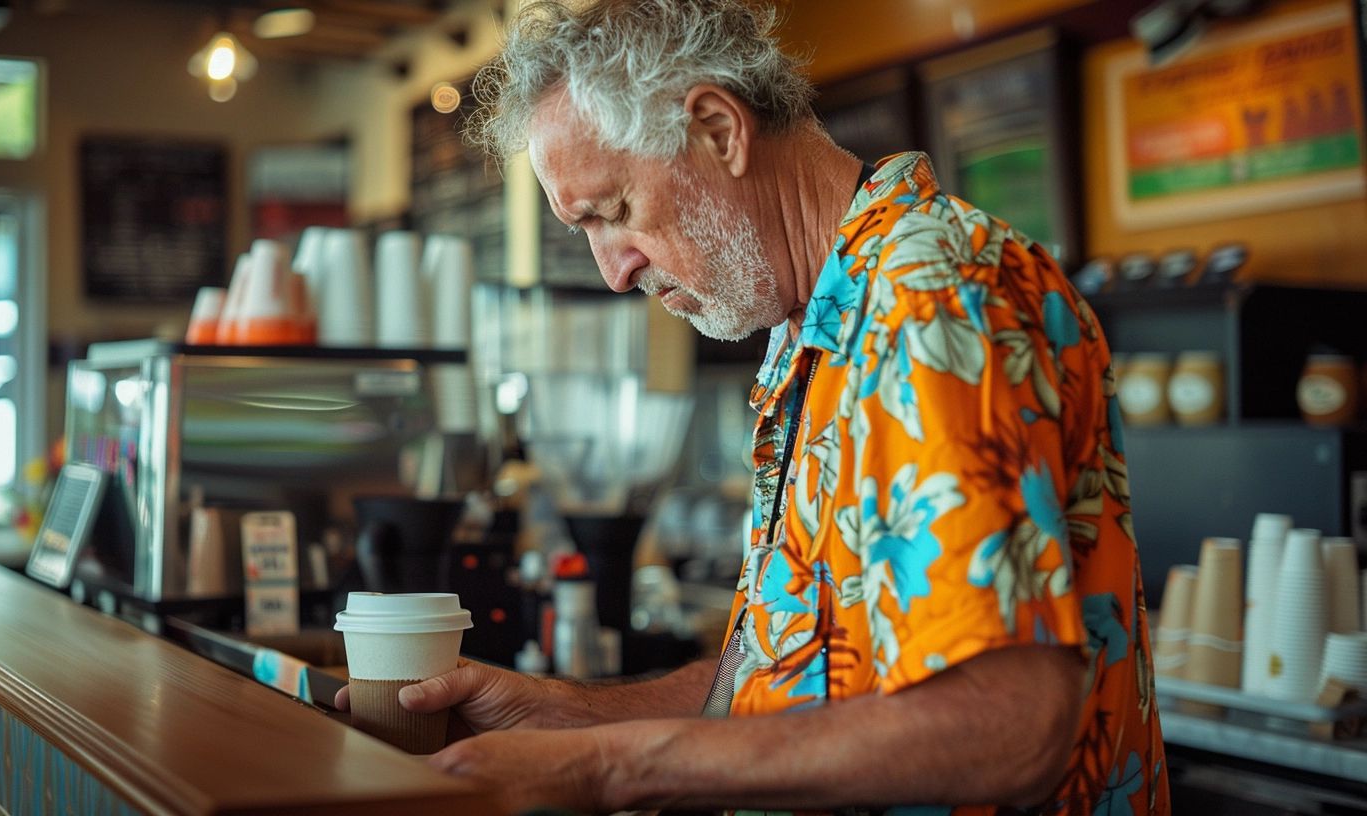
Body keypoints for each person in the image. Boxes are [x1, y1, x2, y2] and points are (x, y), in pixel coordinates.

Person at [336, 1, 1169, 812]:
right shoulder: (808, 327)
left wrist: (606, 768)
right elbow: (779, 683)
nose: (613, 273)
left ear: (719, 130)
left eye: (615, 212)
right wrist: (560, 715)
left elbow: (1008, 729)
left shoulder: (931, 295)